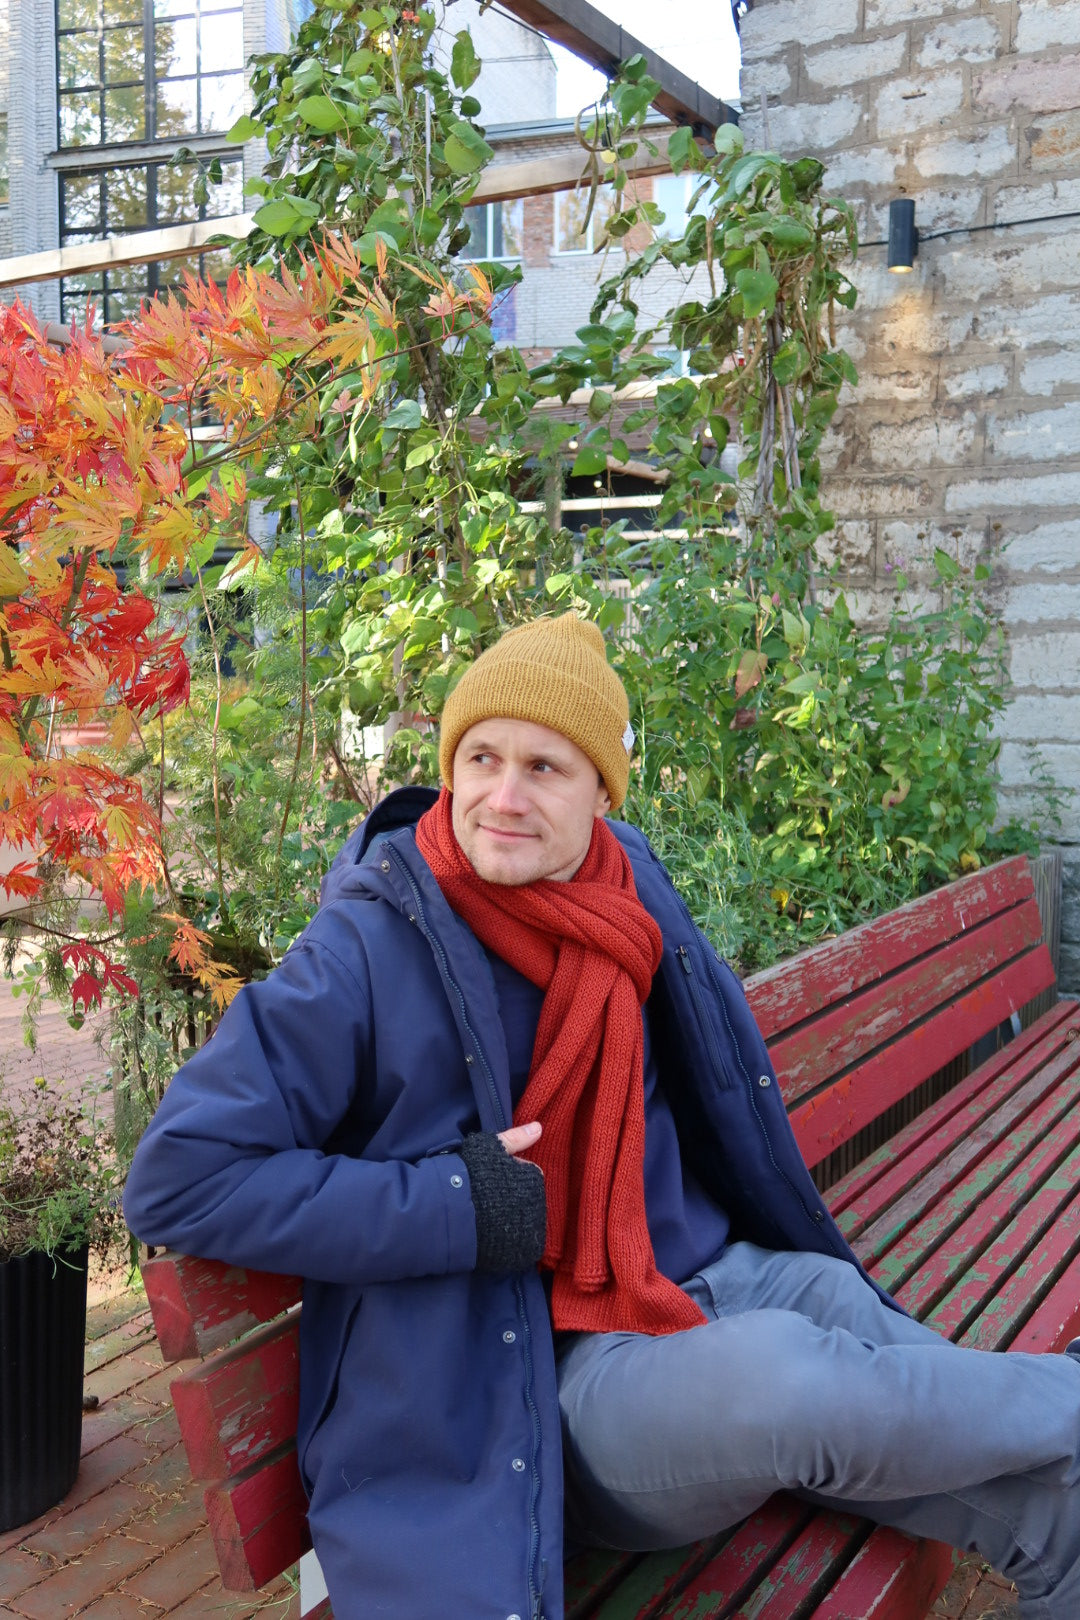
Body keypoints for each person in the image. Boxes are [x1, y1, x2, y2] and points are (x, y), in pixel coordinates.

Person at [125, 612, 1080, 1620]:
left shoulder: (623, 890)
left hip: (703, 1281)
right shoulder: (366, 949)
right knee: (791, 1377)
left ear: (602, 793)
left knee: (1042, 1494)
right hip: (537, 1384)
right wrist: (454, 1203)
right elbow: (181, 1176)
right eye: (482, 759)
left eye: (545, 767)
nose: (503, 797)